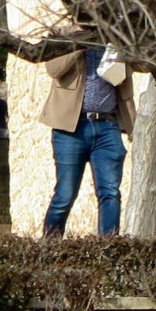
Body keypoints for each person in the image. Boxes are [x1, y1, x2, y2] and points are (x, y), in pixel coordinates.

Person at [39, 42, 133, 237]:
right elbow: (53, 69)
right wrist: (78, 43)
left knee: (111, 192)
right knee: (65, 194)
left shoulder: (112, 37)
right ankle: (49, 247)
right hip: (71, 128)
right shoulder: (64, 36)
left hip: (107, 125)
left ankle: (109, 250)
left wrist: (134, 126)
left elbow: (123, 81)